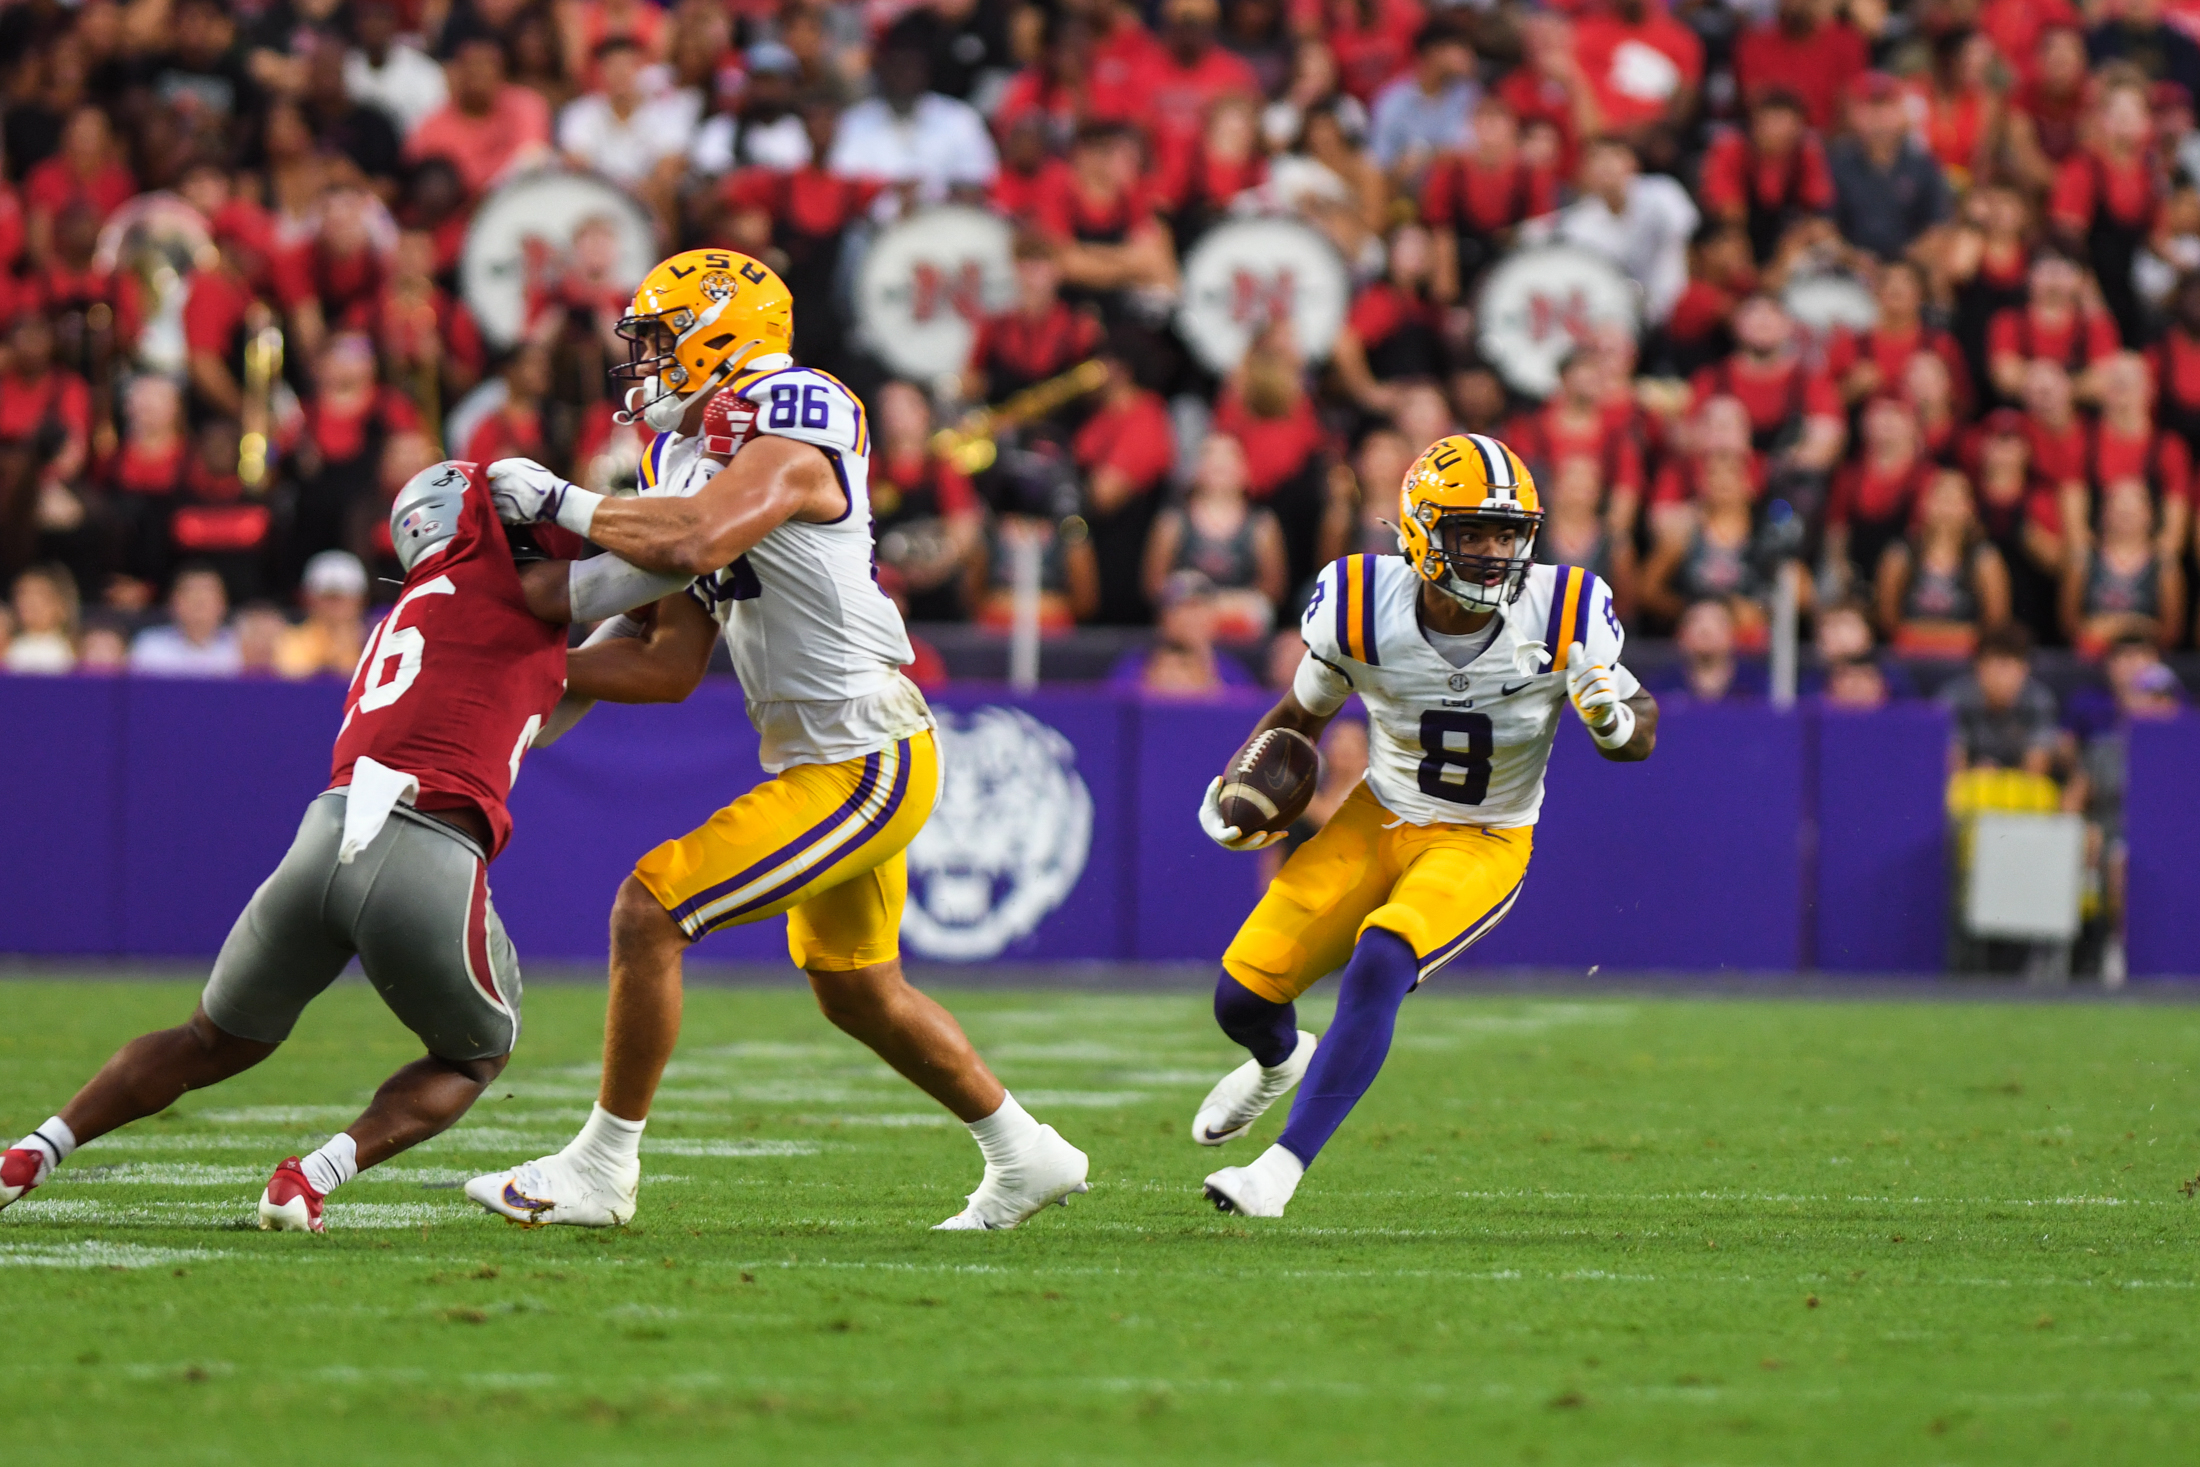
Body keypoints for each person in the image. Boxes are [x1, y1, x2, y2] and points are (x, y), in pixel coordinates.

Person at [472, 249, 1089, 1231]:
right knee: (856, 989)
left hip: (866, 755)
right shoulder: (676, 458)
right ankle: (1027, 1152)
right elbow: (666, 662)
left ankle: (601, 1168)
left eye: (660, 340)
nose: (640, 361)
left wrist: (559, 505)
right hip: (825, 755)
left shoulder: (795, 408)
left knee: (651, 907)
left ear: (723, 335)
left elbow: (694, 541)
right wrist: (523, 669)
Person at [0, 461, 673, 1230]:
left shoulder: (408, 615)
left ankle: (32, 1151)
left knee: (207, 1039)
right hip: (426, 844)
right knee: (474, 1055)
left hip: (324, 837)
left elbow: (533, 712)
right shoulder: (510, 585)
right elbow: (673, 559)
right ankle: (309, 1176)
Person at [1188, 434, 1657, 1217]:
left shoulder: (1565, 605)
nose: (1495, 551)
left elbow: (1638, 725)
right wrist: (1238, 787)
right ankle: (1279, 1061)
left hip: (1485, 835)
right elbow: (1299, 717)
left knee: (1383, 955)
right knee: (1241, 999)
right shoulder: (1359, 604)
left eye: (1508, 533)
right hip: (1378, 815)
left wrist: (1613, 723)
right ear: (1420, 531)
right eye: (1472, 532)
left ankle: (1279, 1170)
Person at [1144, 433, 1290, 638]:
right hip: (1187, 609)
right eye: (1210, 456)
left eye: (1229, 458)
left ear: (1245, 468)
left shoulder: (1261, 524)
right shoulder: (1173, 521)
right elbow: (1154, 584)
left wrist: (1226, 604)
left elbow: (1274, 589)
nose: (1220, 465)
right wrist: (1192, 596)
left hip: (1237, 612)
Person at [1875, 469, 2012, 657]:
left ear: (1970, 509)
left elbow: (1996, 625)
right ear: (1923, 504)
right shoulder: (1900, 554)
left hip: (1967, 661)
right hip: (1910, 657)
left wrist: (1956, 640)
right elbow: (1887, 621)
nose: (1946, 505)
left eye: (1955, 499)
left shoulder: (1985, 559)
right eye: (1940, 496)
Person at [1943, 623, 2061, 775]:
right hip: (1967, 789)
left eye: (2012, 666)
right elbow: (1952, 769)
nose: (2004, 678)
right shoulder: (1953, 698)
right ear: (1979, 667)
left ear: (2025, 669)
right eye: (1999, 665)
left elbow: (2035, 772)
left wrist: (1999, 781)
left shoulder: (2039, 701)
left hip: (2019, 792)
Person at [128, 564, 242, 677]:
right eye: (189, 593)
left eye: (208, 594)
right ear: (172, 602)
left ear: (223, 603)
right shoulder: (150, 646)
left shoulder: (240, 646)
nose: (199, 600)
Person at [276, 549, 371, 679]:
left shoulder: (374, 641)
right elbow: (294, 680)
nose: (334, 607)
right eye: (327, 597)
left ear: (361, 600)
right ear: (307, 599)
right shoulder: (292, 640)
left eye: (342, 598)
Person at [3, 563, 77, 674]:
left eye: (39, 595)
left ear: (61, 604)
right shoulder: (6, 648)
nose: (28, 602)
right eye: (22, 594)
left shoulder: (76, 650)